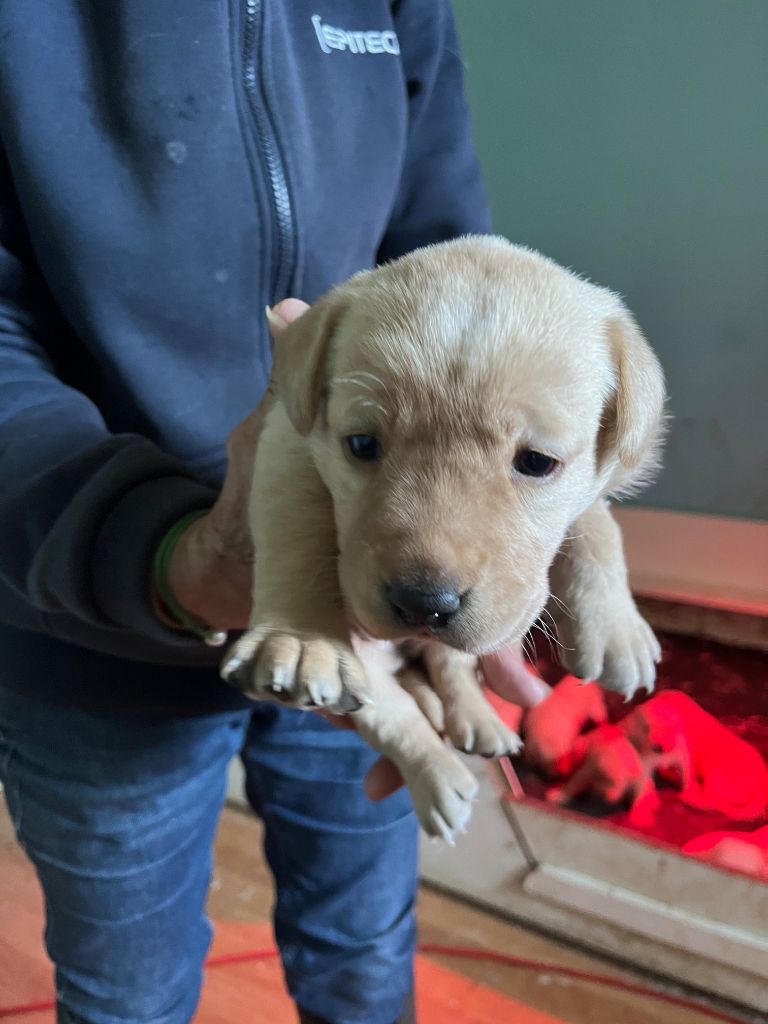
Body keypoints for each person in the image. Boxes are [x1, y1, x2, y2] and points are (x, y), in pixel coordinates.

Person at [0, 4, 547, 1023]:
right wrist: (164, 552)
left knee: (363, 947)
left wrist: (500, 530)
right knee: (128, 992)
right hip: (88, 625)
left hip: (361, 600)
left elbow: (445, 256)